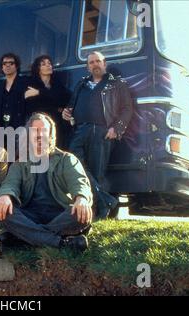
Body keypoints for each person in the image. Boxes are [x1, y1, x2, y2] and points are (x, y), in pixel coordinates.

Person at [0, 113, 93, 251]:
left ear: (51, 135)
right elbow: (10, 184)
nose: (40, 135)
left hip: (59, 214)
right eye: (35, 131)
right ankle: (61, 243)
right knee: (5, 213)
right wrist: (5, 196)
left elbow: (79, 182)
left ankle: (22, 237)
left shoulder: (66, 159)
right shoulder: (20, 164)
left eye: (44, 130)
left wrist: (81, 198)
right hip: (30, 216)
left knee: (80, 214)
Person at [62, 51, 133, 219]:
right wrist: (66, 113)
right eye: (91, 62)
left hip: (101, 132)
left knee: (97, 172)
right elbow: (71, 107)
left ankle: (98, 213)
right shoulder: (81, 84)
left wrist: (116, 128)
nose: (95, 64)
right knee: (76, 167)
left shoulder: (116, 84)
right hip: (79, 131)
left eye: (98, 61)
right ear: (88, 67)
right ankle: (106, 202)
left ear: (104, 63)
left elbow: (127, 108)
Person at [24, 55, 71, 148]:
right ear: (38, 68)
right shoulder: (31, 83)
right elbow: (32, 104)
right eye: (43, 64)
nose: (48, 65)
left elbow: (64, 97)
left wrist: (39, 92)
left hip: (57, 124)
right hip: (39, 123)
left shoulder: (57, 83)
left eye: (49, 63)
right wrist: (53, 102)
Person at [0, 53, 28, 129]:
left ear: (17, 66)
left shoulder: (26, 83)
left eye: (11, 63)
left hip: (20, 129)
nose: (7, 65)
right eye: (4, 63)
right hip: (2, 130)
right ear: (2, 67)